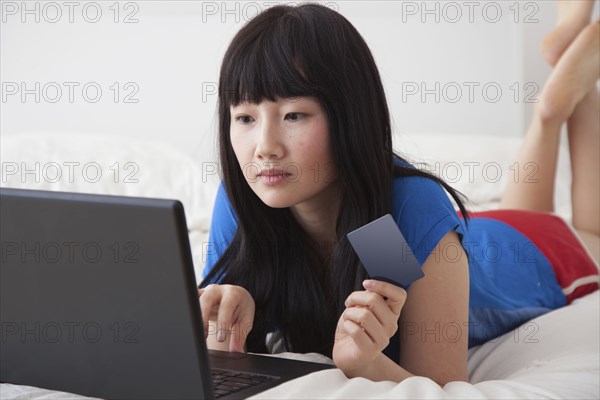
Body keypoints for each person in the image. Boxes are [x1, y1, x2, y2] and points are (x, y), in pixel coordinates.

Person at [199, 3, 599, 385]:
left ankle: (555, 108)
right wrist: (225, 326)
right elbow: (216, 357)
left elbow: (440, 384)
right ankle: (550, 111)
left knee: (585, 231)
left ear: (350, 117)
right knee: (516, 211)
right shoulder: (242, 200)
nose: (264, 147)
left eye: (294, 115)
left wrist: (368, 364)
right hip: (465, 232)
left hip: (532, 254)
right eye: (245, 118)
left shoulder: (395, 215)